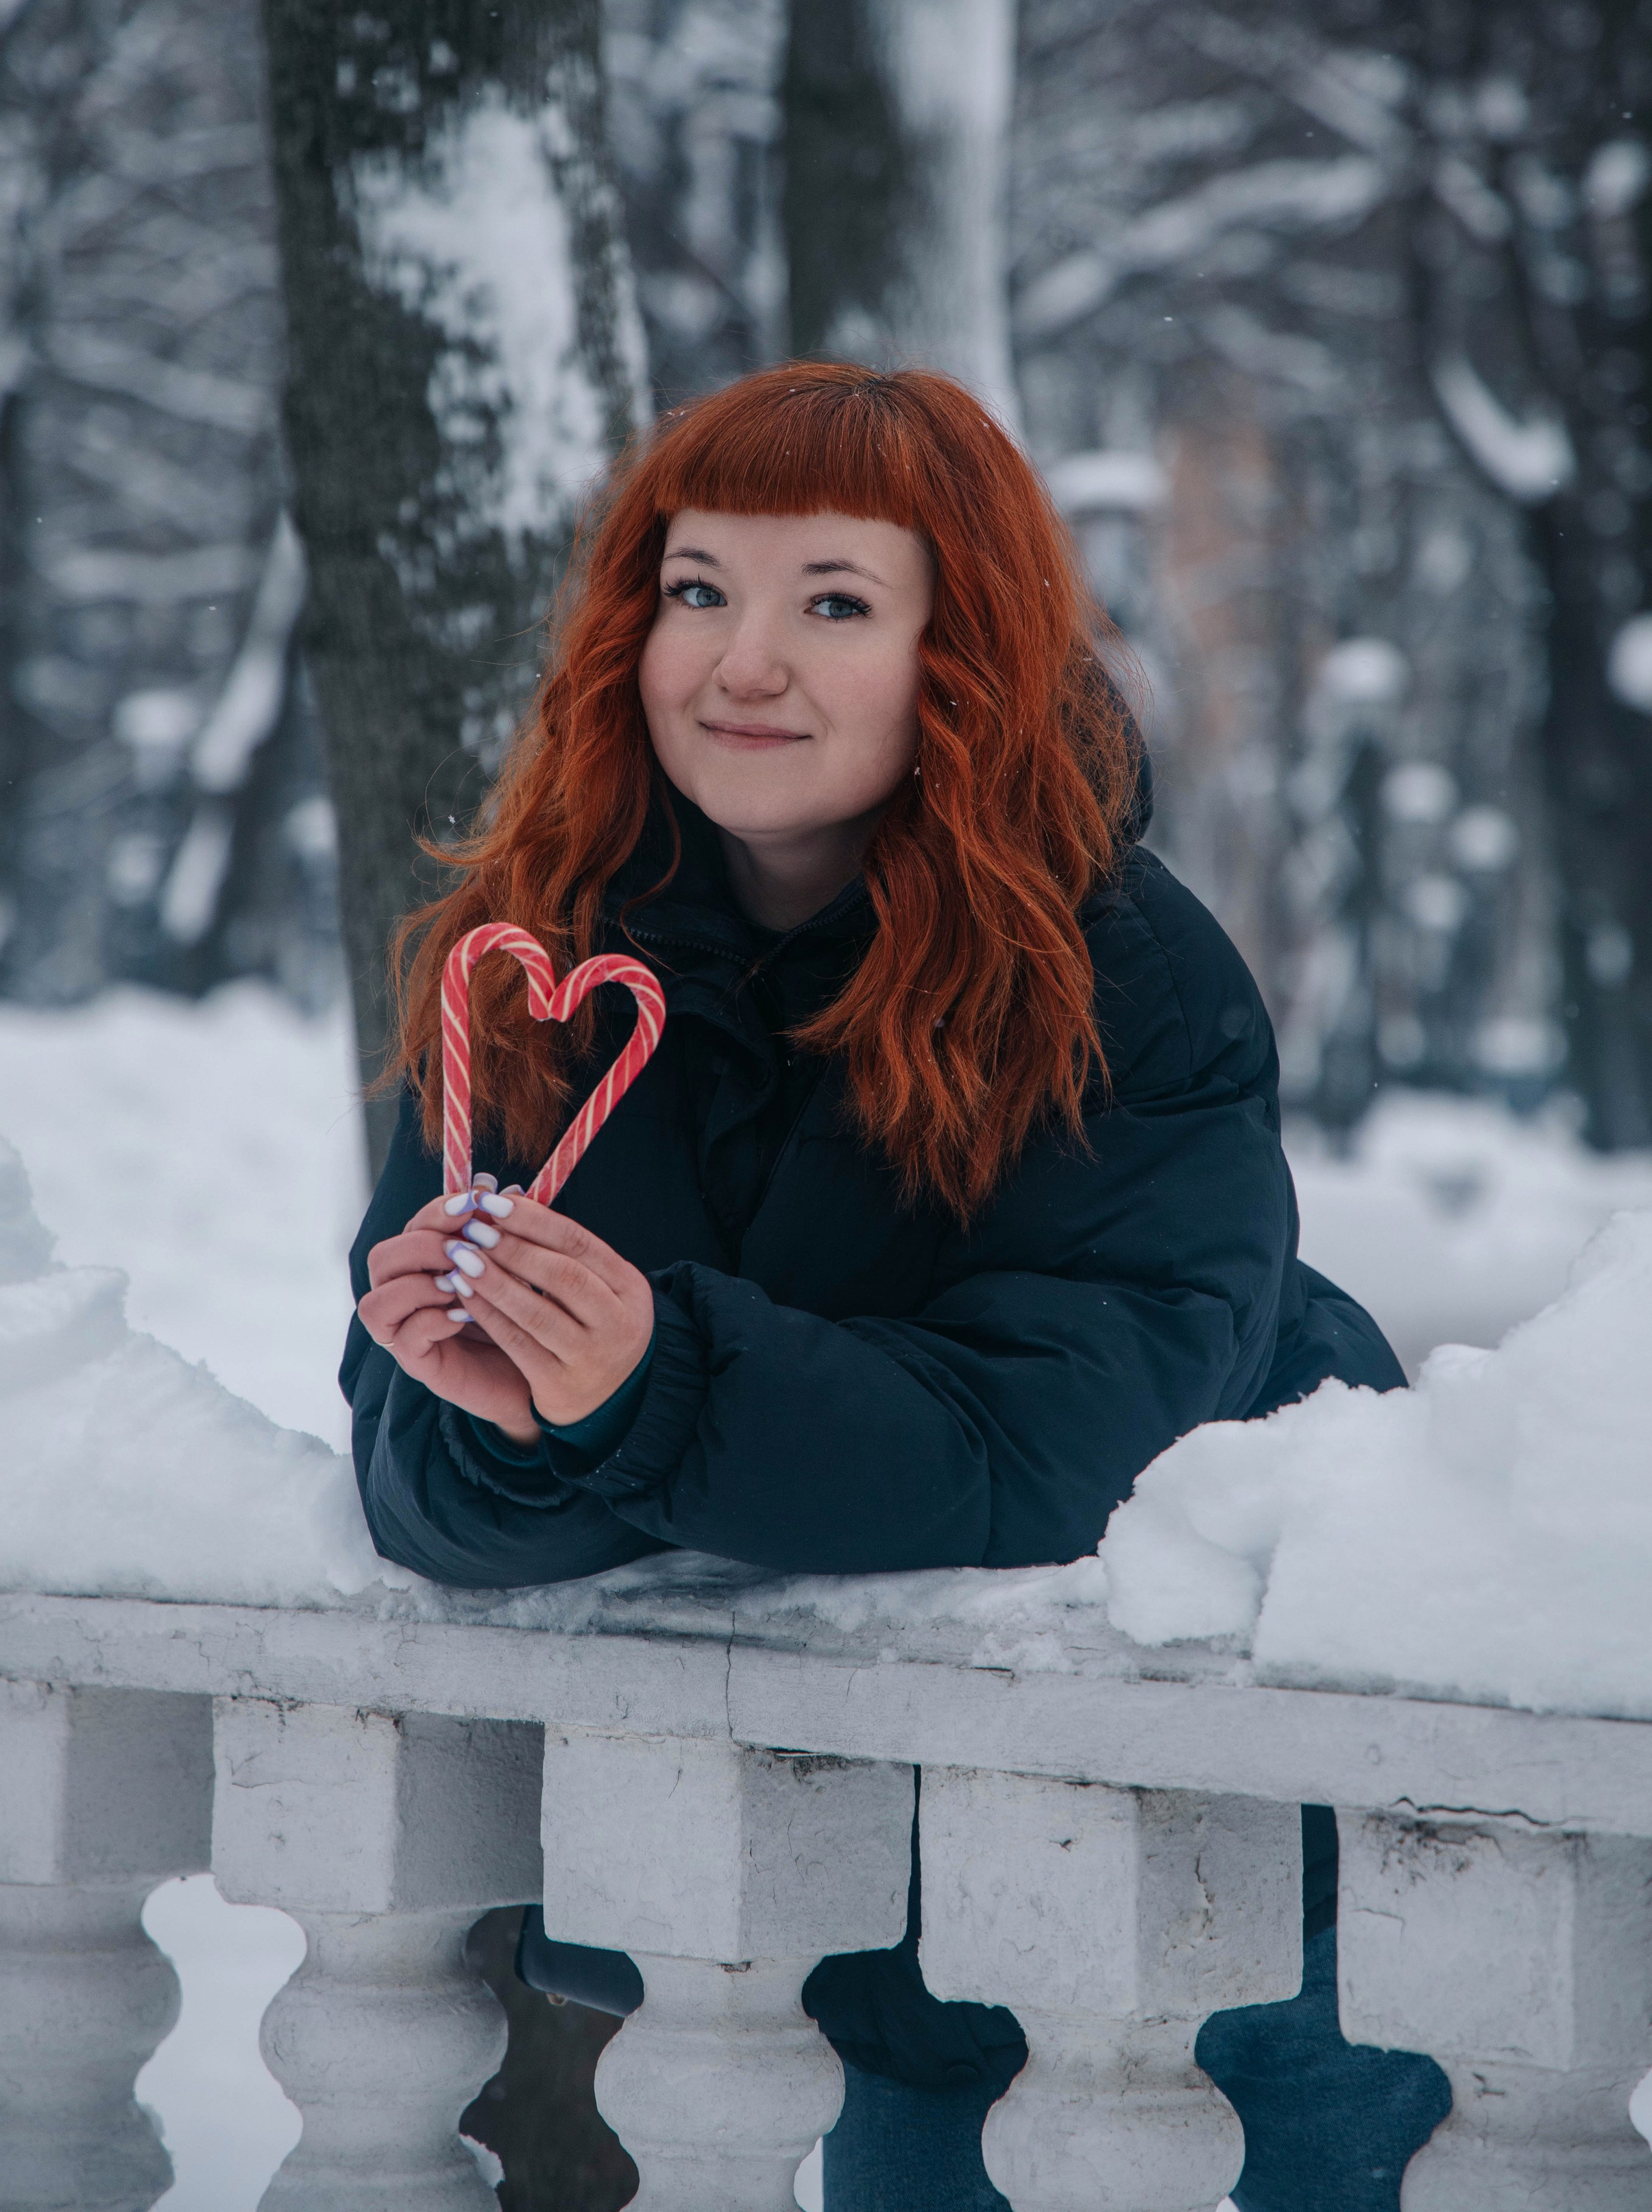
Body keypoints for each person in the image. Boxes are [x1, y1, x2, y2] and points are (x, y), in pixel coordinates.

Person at [344, 363, 1447, 2210]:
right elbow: (424, 1479)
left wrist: (650, 1380)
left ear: (964, 650)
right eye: (699, 591)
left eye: (834, 603)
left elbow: (1052, 1450)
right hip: (869, 1911)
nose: (743, 664)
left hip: (1231, 1893)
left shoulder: (1123, 979)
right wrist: (512, 1420)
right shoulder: (539, 971)